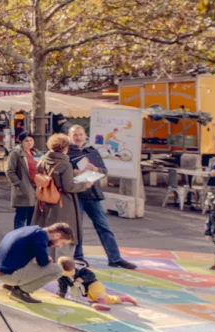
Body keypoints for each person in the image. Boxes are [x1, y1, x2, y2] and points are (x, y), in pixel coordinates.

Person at [67, 125, 138, 270]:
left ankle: (115, 258)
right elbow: (62, 173)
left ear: (85, 136)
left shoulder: (92, 151)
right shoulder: (66, 152)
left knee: (104, 226)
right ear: (69, 136)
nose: (78, 137)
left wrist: (96, 169)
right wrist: (75, 172)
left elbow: (104, 170)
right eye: (75, 135)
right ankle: (78, 257)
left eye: (80, 134)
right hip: (76, 194)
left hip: (93, 193)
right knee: (77, 228)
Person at [34, 133, 93, 267]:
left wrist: (72, 174)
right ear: (65, 147)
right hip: (63, 204)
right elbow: (68, 186)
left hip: (46, 202)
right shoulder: (65, 164)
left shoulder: (43, 160)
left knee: (48, 233)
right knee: (63, 235)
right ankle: (61, 267)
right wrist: (85, 184)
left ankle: (46, 263)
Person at [0, 223, 77, 304]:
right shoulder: (41, 236)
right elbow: (43, 262)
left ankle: (9, 285)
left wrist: (45, 258)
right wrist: (46, 259)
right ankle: (20, 291)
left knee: (34, 257)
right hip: (8, 275)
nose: (60, 246)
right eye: (62, 243)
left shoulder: (32, 230)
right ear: (57, 235)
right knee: (58, 270)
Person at [57, 266, 138, 311]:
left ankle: (103, 304)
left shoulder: (81, 270)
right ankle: (125, 298)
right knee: (108, 299)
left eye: (73, 272)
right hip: (87, 292)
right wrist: (61, 294)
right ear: (63, 272)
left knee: (98, 294)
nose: (72, 274)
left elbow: (92, 275)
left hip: (94, 285)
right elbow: (62, 286)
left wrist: (83, 278)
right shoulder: (62, 277)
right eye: (68, 273)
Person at [5, 130, 38, 230]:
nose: (29, 143)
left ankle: (29, 238)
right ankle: (18, 238)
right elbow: (10, 170)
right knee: (21, 216)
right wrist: (18, 184)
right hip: (24, 188)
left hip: (35, 187)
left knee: (32, 217)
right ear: (21, 142)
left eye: (31, 140)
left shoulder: (35, 152)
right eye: (26, 141)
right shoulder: (16, 153)